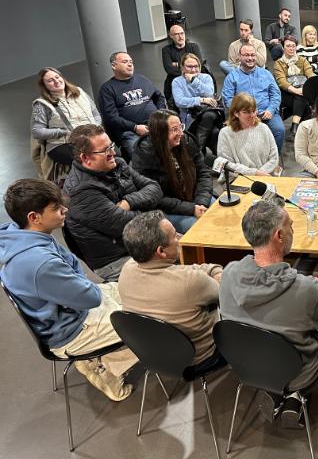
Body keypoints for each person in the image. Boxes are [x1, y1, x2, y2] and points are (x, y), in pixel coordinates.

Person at [219, 199, 318, 426]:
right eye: (291, 226)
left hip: (246, 363)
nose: (293, 230)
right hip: (297, 370)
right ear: (279, 236)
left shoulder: (229, 274)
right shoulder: (305, 288)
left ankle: (277, 391)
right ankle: (296, 393)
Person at [0, 179, 136, 401]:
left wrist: (74, 276)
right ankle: (106, 368)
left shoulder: (19, 234)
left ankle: (102, 358)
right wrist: (75, 276)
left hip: (68, 310)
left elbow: (76, 277)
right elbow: (90, 297)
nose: (65, 211)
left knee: (137, 290)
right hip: (72, 329)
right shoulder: (39, 263)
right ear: (33, 218)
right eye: (56, 209)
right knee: (151, 318)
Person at [119, 210, 223, 365]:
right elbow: (225, 291)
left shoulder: (127, 269)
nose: (180, 238)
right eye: (175, 236)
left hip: (156, 356)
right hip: (202, 357)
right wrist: (217, 271)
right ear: (161, 251)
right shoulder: (191, 281)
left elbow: (190, 273)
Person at [63, 124, 163, 281]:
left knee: (188, 250)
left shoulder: (117, 164)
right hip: (116, 259)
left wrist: (128, 202)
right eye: (105, 150)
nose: (113, 152)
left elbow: (154, 188)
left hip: (141, 240)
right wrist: (151, 209)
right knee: (177, 273)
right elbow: (128, 225)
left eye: (111, 146)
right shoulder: (81, 192)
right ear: (85, 158)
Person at [131, 110, 214, 234]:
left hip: (195, 199)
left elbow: (204, 173)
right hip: (166, 210)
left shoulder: (187, 141)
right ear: (160, 133)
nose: (181, 133)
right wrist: (191, 209)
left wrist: (201, 202)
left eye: (181, 126)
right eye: (175, 129)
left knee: (223, 213)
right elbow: (154, 197)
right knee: (202, 228)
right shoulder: (145, 155)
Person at [31, 67, 102, 180]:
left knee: (113, 153)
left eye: (57, 77)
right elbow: (37, 131)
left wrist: (95, 129)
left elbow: (96, 114)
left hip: (89, 136)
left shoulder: (80, 92)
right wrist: (62, 132)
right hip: (62, 143)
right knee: (88, 160)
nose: (56, 81)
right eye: (50, 80)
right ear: (44, 86)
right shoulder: (41, 104)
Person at [98, 52, 167, 158]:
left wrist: (160, 115)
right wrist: (135, 127)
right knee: (143, 157)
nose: (130, 64)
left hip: (155, 124)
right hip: (129, 131)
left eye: (131, 62)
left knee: (174, 145)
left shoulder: (142, 79)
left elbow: (159, 97)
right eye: (125, 62)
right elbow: (111, 117)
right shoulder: (107, 89)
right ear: (114, 66)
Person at [221, 43, 285, 150]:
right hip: (243, 116)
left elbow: (275, 94)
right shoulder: (231, 77)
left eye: (252, 55)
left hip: (266, 114)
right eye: (246, 55)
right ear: (239, 56)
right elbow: (228, 99)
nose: (250, 58)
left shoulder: (266, 74)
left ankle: (274, 161)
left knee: (279, 130)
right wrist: (244, 113)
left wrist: (270, 110)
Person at [217, 93, 280, 180]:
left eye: (254, 111)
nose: (252, 115)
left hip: (265, 177)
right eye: (246, 112)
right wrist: (254, 173)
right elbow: (227, 164)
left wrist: (261, 175)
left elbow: (274, 157)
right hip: (239, 180)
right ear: (236, 113)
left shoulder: (264, 128)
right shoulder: (225, 133)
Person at [171, 53, 222, 152]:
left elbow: (209, 93)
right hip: (190, 116)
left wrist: (194, 80)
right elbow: (180, 102)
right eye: (189, 67)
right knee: (214, 132)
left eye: (196, 66)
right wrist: (201, 100)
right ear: (182, 67)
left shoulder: (206, 77)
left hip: (207, 112)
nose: (193, 70)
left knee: (209, 115)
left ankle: (197, 151)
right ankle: (206, 154)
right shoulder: (177, 82)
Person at [273, 36, 315, 142]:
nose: (291, 48)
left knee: (301, 96)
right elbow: (282, 82)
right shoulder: (279, 63)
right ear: (283, 48)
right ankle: (299, 126)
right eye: (288, 46)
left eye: (293, 46)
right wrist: (296, 90)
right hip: (286, 93)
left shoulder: (302, 60)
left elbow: (310, 74)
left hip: (301, 92)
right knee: (302, 98)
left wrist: (309, 85)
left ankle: (294, 128)